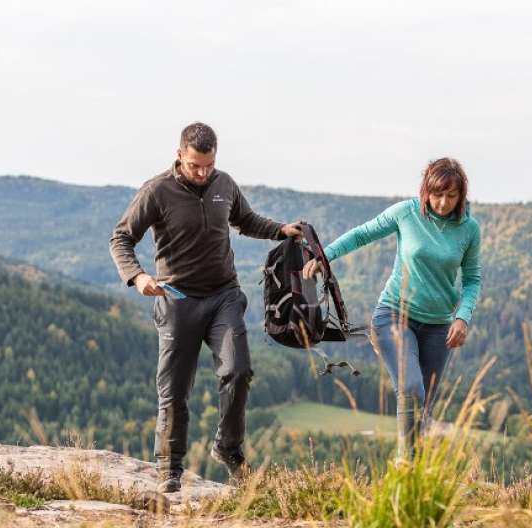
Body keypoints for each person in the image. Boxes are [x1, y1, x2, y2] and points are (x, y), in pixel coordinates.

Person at [109, 122, 302, 492]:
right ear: (180, 155)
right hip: (176, 299)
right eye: (196, 165)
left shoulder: (224, 184)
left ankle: (228, 448)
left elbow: (245, 220)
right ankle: (169, 467)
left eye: (209, 165)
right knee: (174, 388)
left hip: (223, 296)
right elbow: (121, 238)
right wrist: (137, 277)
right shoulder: (157, 190)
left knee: (238, 370)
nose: (203, 173)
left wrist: (281, 230)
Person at [303, 158, 482, 460]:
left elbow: (472, 279)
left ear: (461, 196)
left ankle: (415, 477)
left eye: (452, 196)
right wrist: (325, 257)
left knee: (422, 406)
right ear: (426, 190)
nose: (443, 203)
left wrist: (463, 318)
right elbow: (362, 234)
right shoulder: (406, 213)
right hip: (393, 316)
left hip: (439, 327)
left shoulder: (468, 230)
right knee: (411, 388)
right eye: (437, 194)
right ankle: (405, 466)